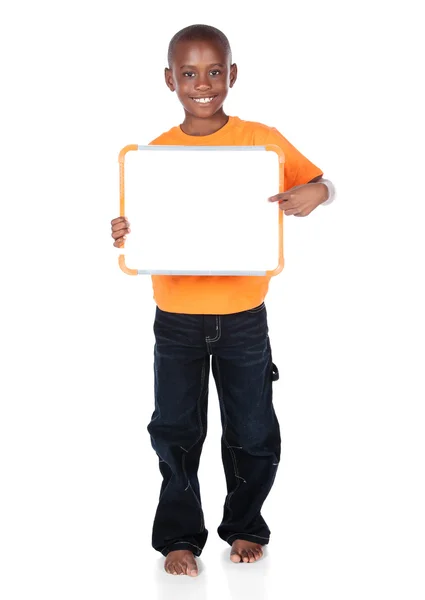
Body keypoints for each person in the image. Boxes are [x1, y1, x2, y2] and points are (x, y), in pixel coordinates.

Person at [110, 24, 335, 577]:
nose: (203, 83)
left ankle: (245, 527)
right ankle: (179, 540)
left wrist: (320, 191)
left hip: (243, 318)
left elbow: (323, 183)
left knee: (254, 430)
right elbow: (141, 228)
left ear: (232, 75)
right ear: (170, 80)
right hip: (177, 320)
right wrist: (123, 230)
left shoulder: (263, 138)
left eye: (215, 71)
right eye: (189, 73)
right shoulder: (154, 154)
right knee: (177, 433)